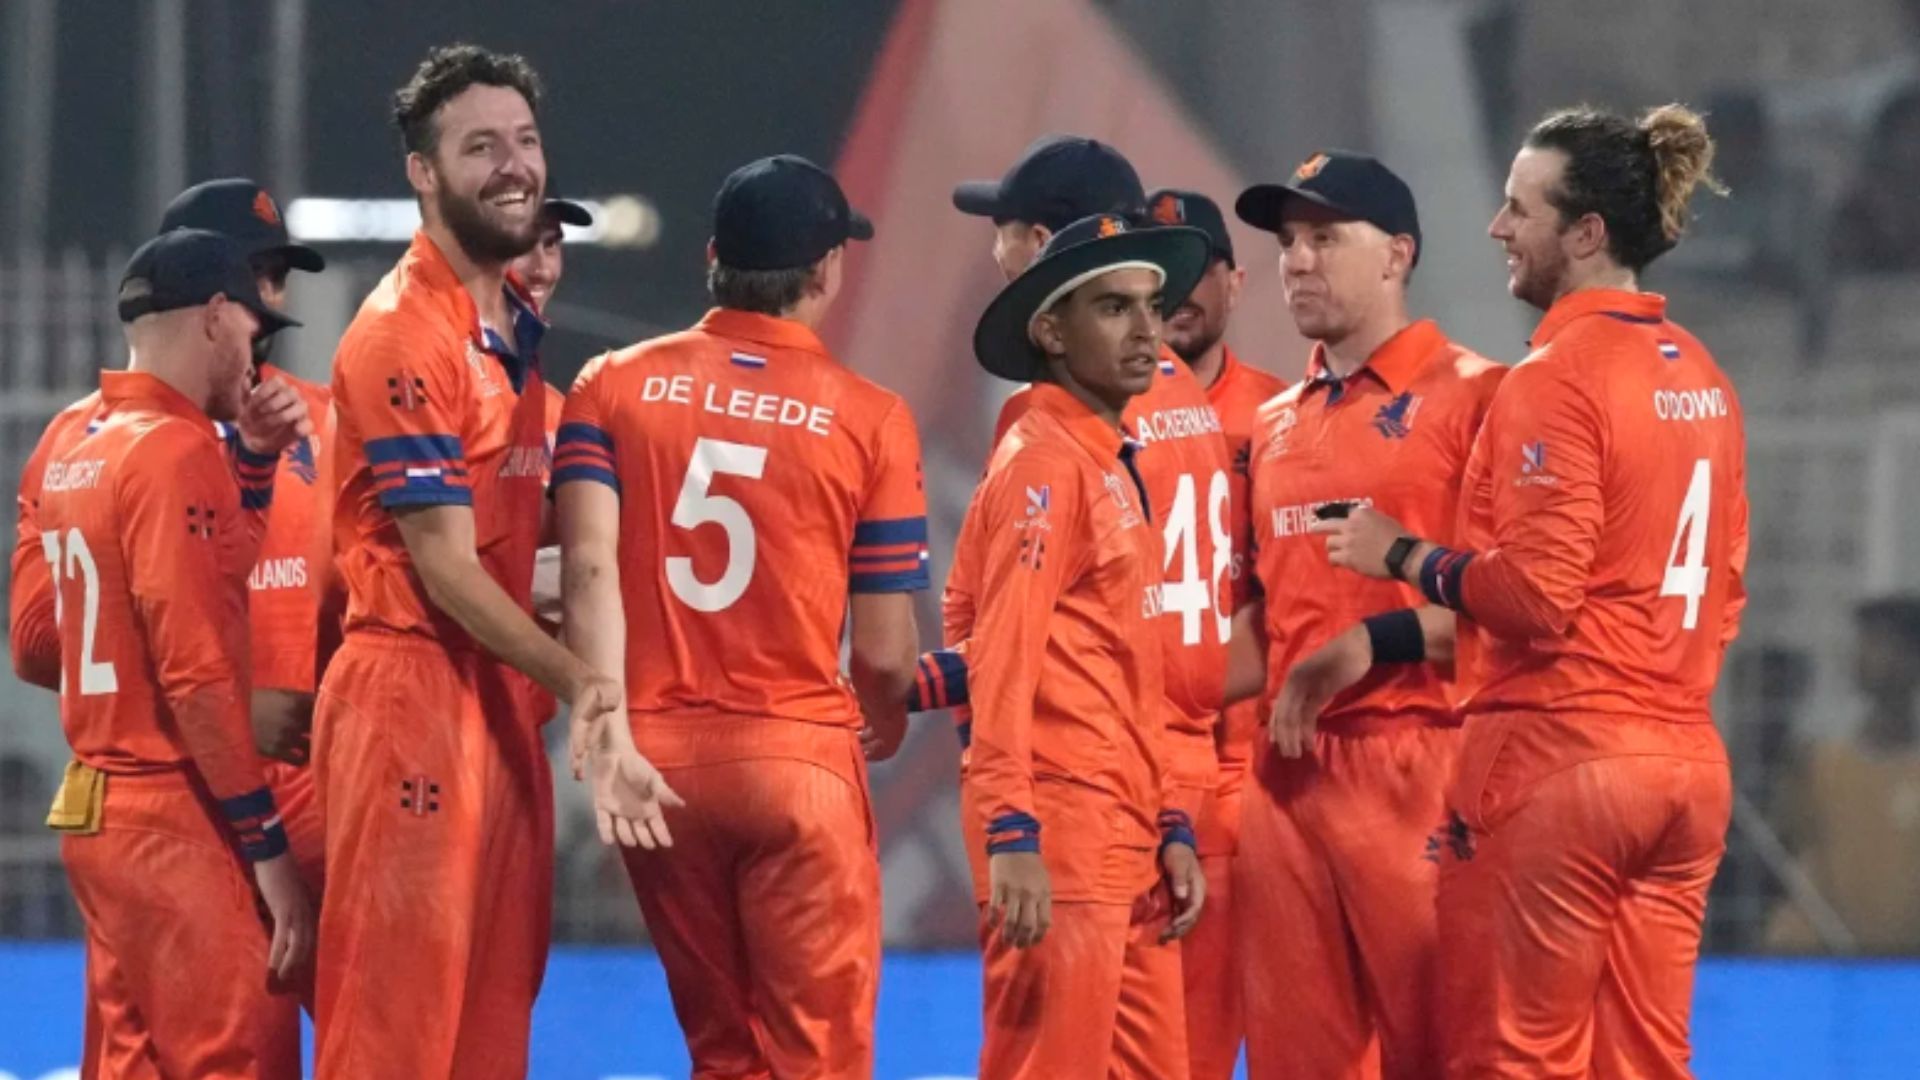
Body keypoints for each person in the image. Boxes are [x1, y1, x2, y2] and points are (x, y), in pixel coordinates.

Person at [1304, 104, 1745, 1077]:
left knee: (1513, 1060)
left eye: (1520, 209)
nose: (1498, 228)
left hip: (1558, 762)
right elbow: (1729, 588)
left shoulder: (1554, 376)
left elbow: (1539, 597)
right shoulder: (1703, 377)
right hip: (1683, 765)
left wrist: (1403, 556)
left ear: (1586, 234)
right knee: (1643, 1064)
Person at [311, 44, 639, 1078]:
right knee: (396, 1036)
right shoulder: (404, 334)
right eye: (481, 146)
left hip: (500, 707)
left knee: (492, 1032)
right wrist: (584, 678)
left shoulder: (510, 337)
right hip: (411, 696)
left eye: (527, 142)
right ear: (423, 172)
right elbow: (445, 570)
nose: (514, 166)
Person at [556, 154, 924, 1078]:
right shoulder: (872, 418)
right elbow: (882, 650)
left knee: (725, 1055)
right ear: (827, 272)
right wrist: (878, 712)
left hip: (660, 767)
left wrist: (606, 735)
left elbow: (587, 568)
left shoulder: (610, 384)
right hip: (796, 762)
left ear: (714, 258)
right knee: (819, 1059)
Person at [1220, 153, 1504, 1079]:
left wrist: (1367, 644)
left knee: (1445, 1055)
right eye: (1287, 242)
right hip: (1289, 782)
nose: (1298, 261)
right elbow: (1259, 626)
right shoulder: (1271, 424)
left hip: (1428, 762)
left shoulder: (1482, 398)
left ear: (1397, 254)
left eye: (1324, 238)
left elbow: (1525, 614)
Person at [35, 229, 313, 1078]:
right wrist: (268, 851)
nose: (258, 359)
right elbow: (195, 672)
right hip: (178, 815)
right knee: (240, 1059)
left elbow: (34, 638)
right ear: (218, 318)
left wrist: (255, 472)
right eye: (255, 333)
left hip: (97, 806)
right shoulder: (176, 448)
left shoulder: (73, 446)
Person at [959, 211, 1211, 1079]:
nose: (1149, 330)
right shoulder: (1043, 465)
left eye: (1152, 306)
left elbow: (1120, 669)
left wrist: (1168, 817)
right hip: (1059, 837)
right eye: (1115, 309)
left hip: (1126, 839)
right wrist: (1011, 828)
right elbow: (1000, 655)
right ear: (1050, 331)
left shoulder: (1103, 460)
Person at [1144, 185, 1288, 1080]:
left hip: (1253, 787)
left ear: (1236, 284)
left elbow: (1301, 601)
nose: (1179, 290)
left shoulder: (1283, 418)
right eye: (1161, 271)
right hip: (1133, 778)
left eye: (1199, 267)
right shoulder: (1088, 420)